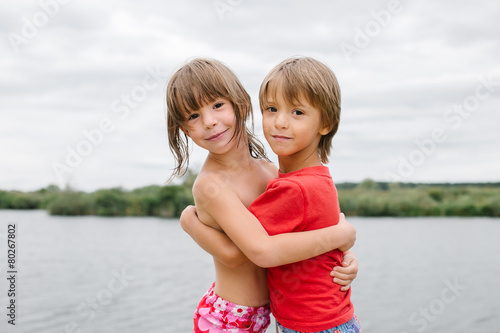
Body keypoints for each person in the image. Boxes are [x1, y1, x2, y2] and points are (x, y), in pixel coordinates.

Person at [166, 58, 358, 333]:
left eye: (217, 105)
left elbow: (302, 226)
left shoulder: (270, 171)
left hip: (272, 316)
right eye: (193, 116)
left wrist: (343, 254)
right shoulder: (212, 185)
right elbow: (238, 255)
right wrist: (188, 222)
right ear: (184, 129)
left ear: (240, 104)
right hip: (229, 318)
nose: (209, 122)